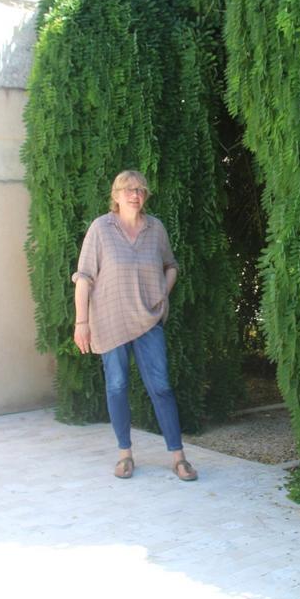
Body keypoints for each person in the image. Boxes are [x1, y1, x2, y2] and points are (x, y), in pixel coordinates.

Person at [72, 170, 198, 482]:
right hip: (110, 320)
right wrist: (81, 322)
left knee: (161, 387)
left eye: (140, 189)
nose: (135, 194)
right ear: (115, 196)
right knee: (116, 386)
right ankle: (125, 454)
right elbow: (84, 277)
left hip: (148, 319)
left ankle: (178, 457)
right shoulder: (101, 229)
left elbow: (171, 266)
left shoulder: (155, 229)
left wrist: (162, 294)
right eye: (127, 189)